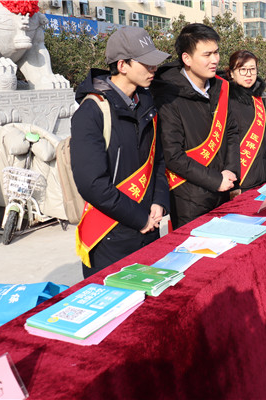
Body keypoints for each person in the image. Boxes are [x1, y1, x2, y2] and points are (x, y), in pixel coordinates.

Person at [71, 26, 171, 278]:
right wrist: (140, 219)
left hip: (150, 227)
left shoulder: (146, 104)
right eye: (146, 63)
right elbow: (92, 184)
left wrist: (159, 201)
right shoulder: (91, 112)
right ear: (122, 65)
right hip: (110, 237)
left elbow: (158, 160)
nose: (153, 69)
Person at [150, 23, 240, 229]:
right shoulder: (168, 97)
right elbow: (173, 155)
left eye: (216, 52)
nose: (215, 60)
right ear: (187, 58)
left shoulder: (220, 88)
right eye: (207, 54)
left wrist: (231, 172)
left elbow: (231, 133)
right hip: (189, 199)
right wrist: (215, 180)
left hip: (223, 190)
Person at [224, 50, 266, 192]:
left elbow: (265, 139)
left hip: (263, 177)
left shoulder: (257, 99)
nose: (248, 74)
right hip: (242, 182)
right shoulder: (227, 101)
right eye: (242, 69)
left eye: (252, 69)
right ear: (232, 73)